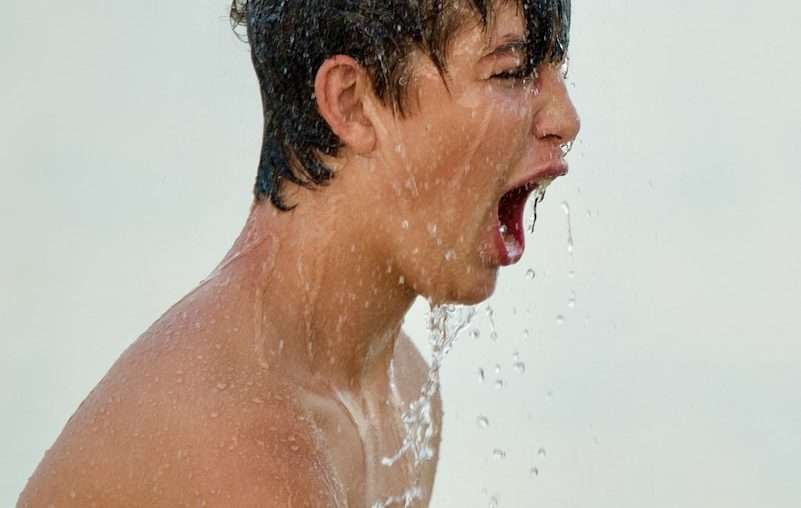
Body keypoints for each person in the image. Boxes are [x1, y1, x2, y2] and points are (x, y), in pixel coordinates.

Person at [17, 0, 579, 505]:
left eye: (557, 71)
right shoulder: (244, 444)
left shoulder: (400, 390)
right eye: (510, 71)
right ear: (354, 103)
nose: (565, 119)